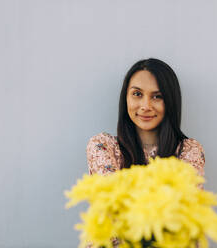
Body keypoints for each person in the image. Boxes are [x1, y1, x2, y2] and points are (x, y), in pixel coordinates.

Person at [85, 58, 205, 248]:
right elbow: (113, 212)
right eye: (137, 94)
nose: (146, 105)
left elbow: (181, 218)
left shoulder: (189, 150)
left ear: (171, 102)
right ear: (126, 98)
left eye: (157, 96)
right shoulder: (102, 146)